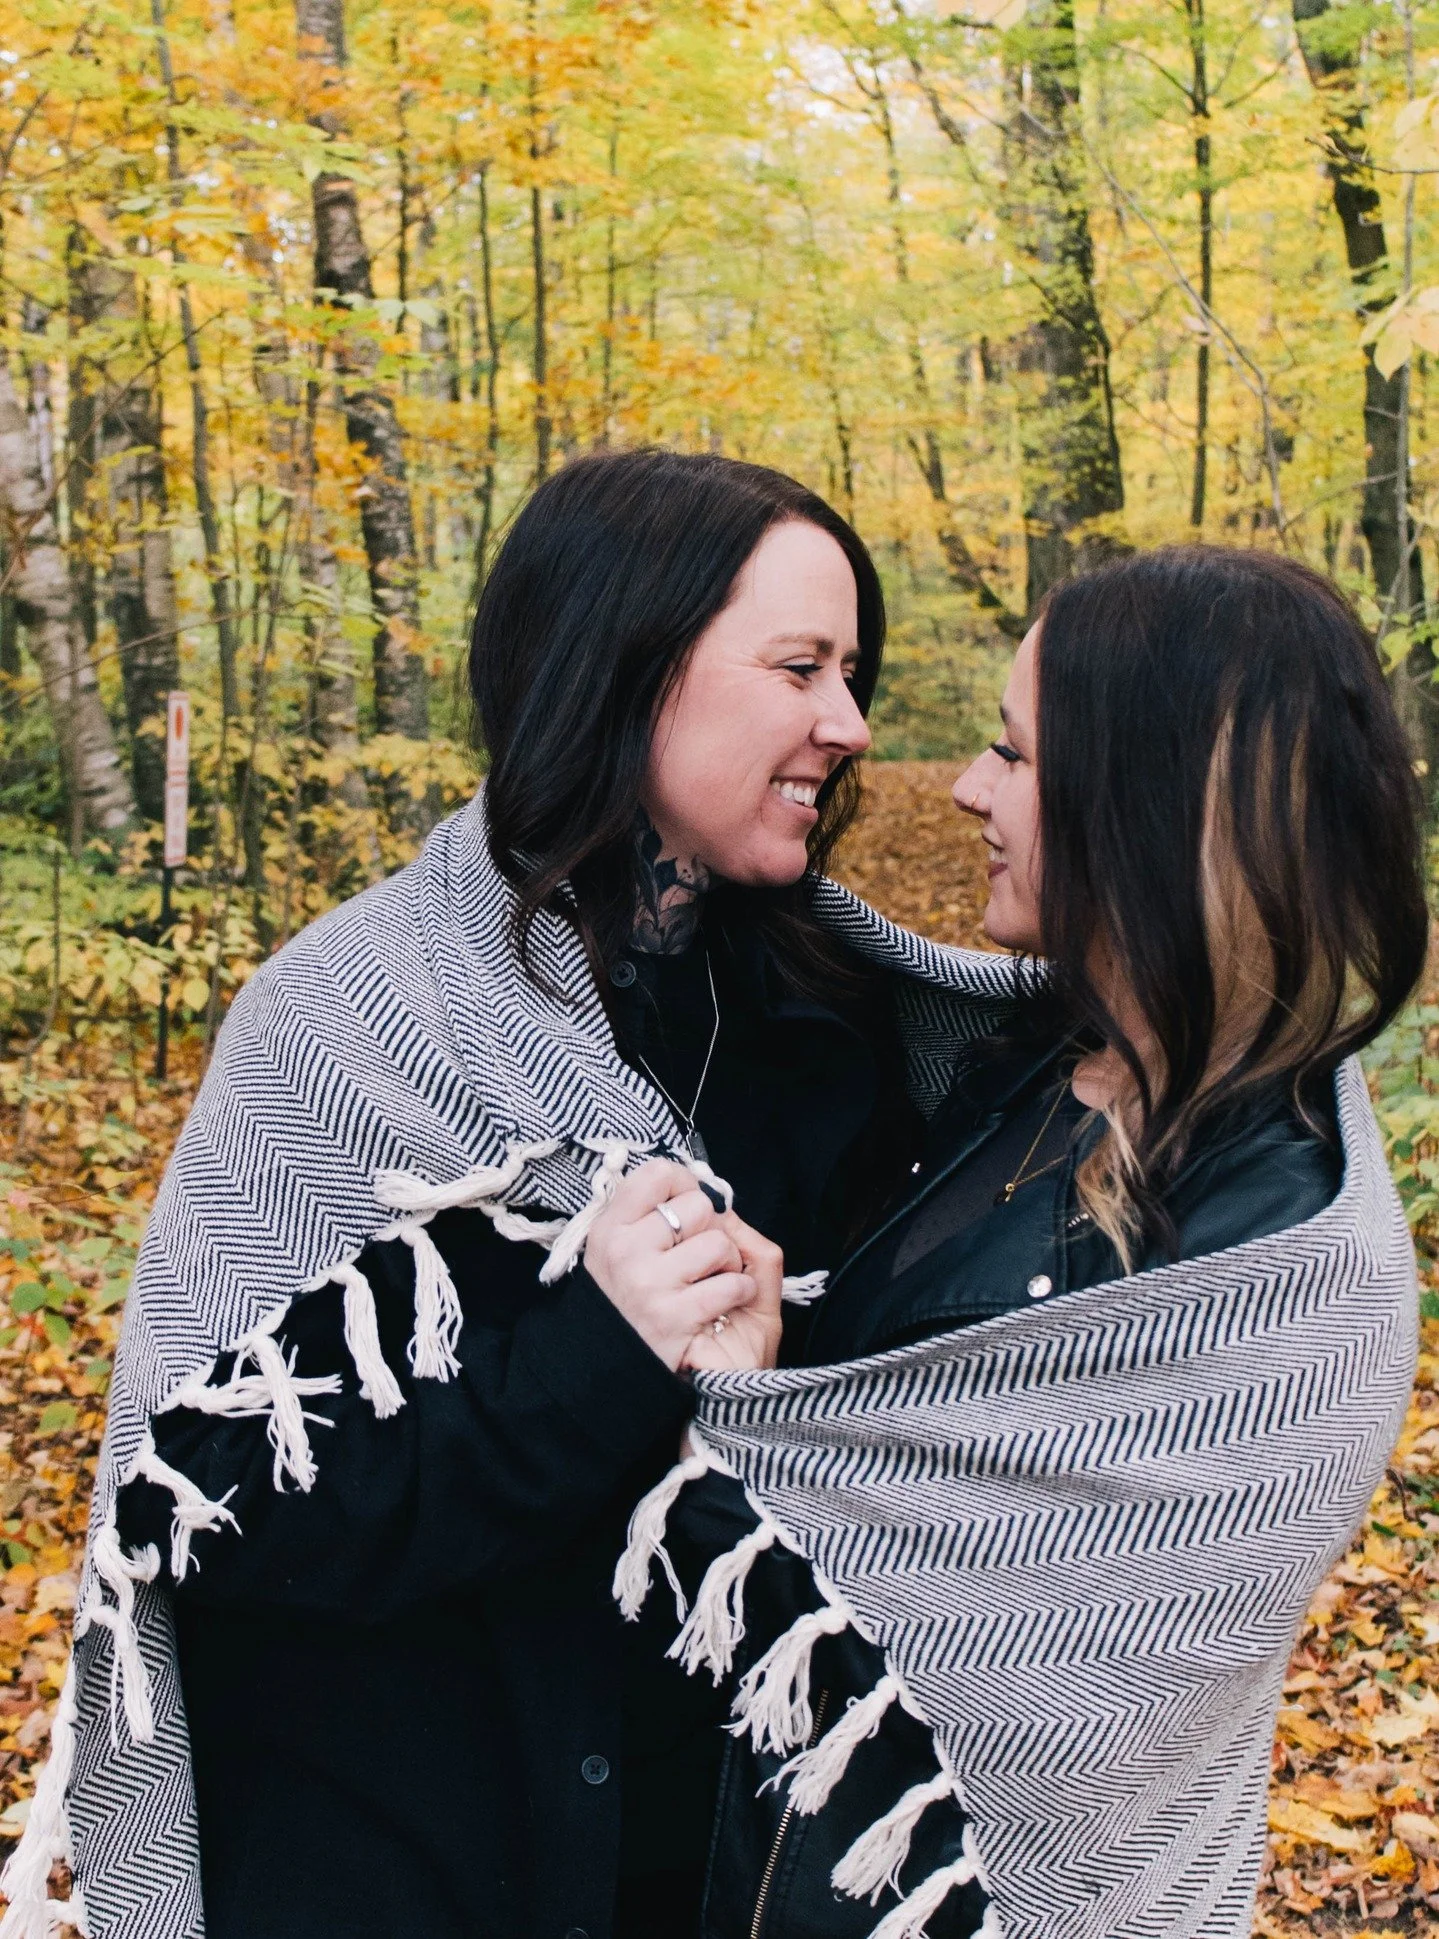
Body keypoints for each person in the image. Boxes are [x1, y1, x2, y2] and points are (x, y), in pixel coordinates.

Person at [6, 450, 950, 1939]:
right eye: (798, 666)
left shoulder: (844, 1031)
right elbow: (218, 1517)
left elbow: (916, 1438)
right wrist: (598, 1353)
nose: (849, 722)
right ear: (627, 670)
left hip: (710, 1880)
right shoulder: (346, 1025)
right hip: (395, 1872)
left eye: (852, 668)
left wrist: (781, 1367)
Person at [599, 547, 1429, 1939]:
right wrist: (785, 1333)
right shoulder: (1041, 1067)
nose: (968, 789)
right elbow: (923, 1410)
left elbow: (1025, 1669)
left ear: (1146, 806)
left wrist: (718, 1410)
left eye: (1012, 752)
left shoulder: (1280, 1259)